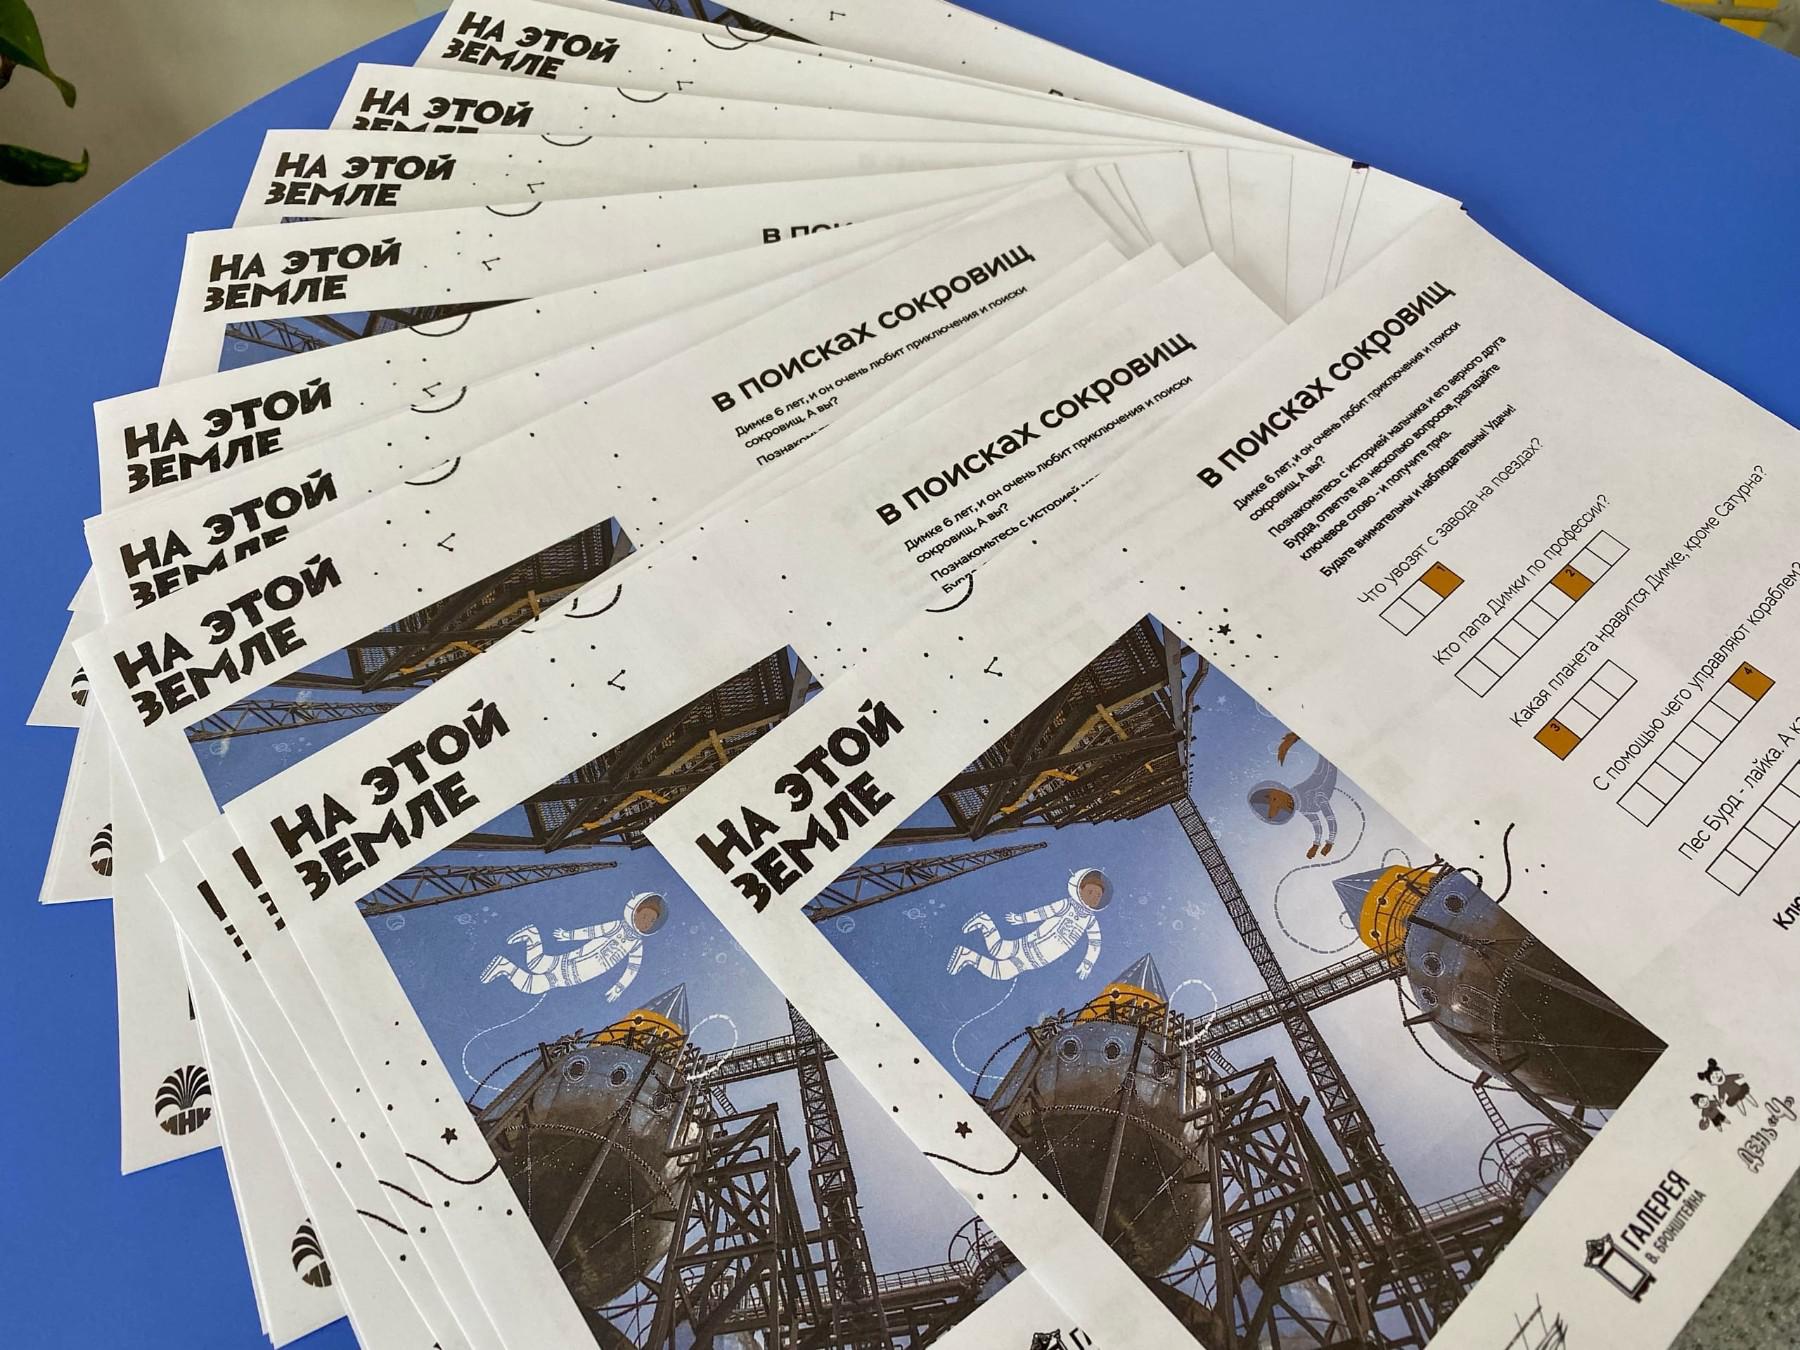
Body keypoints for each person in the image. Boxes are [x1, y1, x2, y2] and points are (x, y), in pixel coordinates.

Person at [481, 891, 668, 998]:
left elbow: (632, 968)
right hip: (573, 962)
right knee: (536, 968)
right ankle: (519, 950)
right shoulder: (616, 926)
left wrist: (620, 987)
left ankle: (519, 951)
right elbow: (592, 931)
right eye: (645, 916)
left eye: (651, 921)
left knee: (534, 983)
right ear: (635, 911)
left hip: (580, 974)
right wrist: (568, 935)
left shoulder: (636, 945)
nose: (646, 922)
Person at [947, 867, 1111, 981]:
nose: (1094, 897)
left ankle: (968, 955)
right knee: (999, 950)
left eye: (1098, 896)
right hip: (1031, 945)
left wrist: (1088, 962)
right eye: (1091, 892)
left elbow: (1095, 943)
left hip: (1041, 958)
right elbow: (1043, 912)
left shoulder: (1090, 921)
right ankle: (984, 924)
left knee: (1002, 972)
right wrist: (1021, 918)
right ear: (1080, 889)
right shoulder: (1066, 905)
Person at [1246, 730, 1340, 859]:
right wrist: (1316, 844)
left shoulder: (1311, 794)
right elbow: (1317, 823)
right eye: (1274, 809)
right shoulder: (1303, 806)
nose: (1274, 807)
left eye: (1273, 800)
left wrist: (1329, 843)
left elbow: (1329, 817)